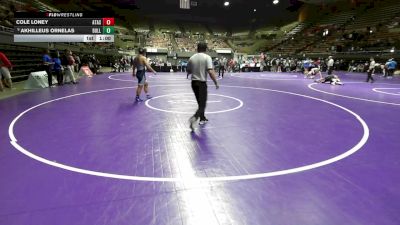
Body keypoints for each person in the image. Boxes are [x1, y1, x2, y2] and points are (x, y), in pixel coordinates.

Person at [187, 42, 219, 131]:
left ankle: (202, 118)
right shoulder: (207, 57)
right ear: (206, 49)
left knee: (200, 102)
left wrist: (194, 70)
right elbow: (210, 71)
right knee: (202, 104)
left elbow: (188, 70)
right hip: (201, 83)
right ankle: (194, 118)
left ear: (197, 48)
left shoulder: (192, 58)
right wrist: (216, 82)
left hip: (193, 83)